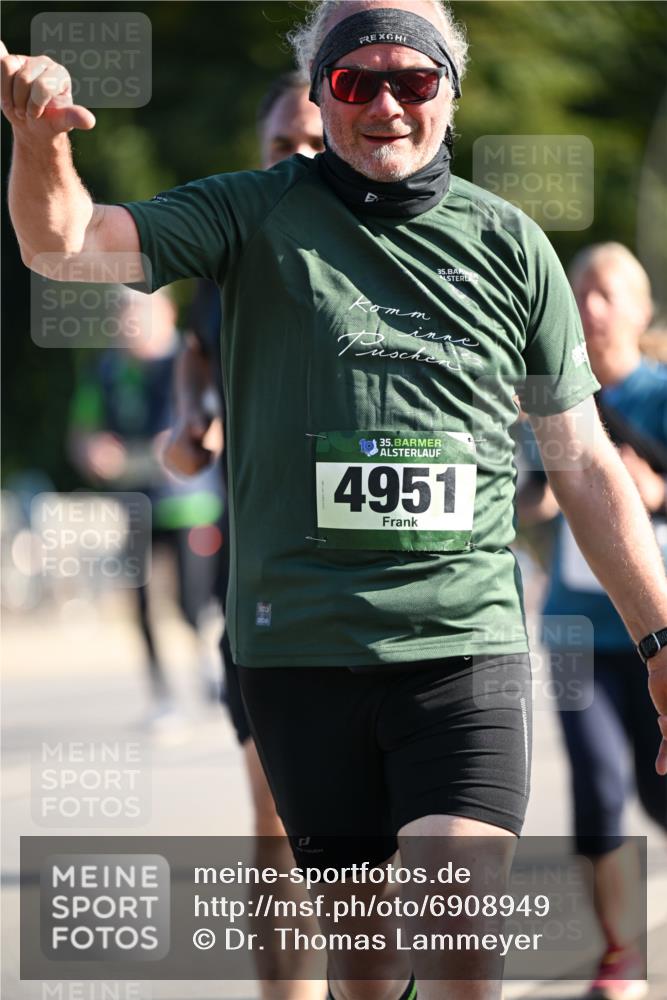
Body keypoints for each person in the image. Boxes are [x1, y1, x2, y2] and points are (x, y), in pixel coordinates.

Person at [3, 3, 667, 997]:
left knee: (454, 938)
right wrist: (37, 145)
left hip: (460, 652)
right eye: (357, 82)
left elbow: (581, 465)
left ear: (452, 90)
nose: (387, 104)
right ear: (320, 94)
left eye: (414, 80)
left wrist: (659, 640)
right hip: (300, 654)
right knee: (363, 968)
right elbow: (62, 246)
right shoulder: (253, 213)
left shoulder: (512, 248)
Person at [163, 70, 326, 1000]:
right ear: (257, 156)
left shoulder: (402, 253)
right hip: (263, 595)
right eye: (280, 147)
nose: (299, 162)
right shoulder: (229, 257)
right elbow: (194, 351)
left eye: (314, 144)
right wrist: (193, 422)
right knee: (275, 831)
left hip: (390, 599)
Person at [519, 244, 667, 1000]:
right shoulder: (550, 400)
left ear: (641, 312)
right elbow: (523, 505)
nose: (592, 306)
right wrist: (540, 497)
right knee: (598, 788)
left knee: (657, 795)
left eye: (609, 292)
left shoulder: (661, 396)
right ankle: (618, 952)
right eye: (579, 292)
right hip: (576, 633)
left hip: (661, 640)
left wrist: (650, 492)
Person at [68, 287, 224, 727]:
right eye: (123, 315)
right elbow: (81, 435)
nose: (130, 324)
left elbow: (215, 429)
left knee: (194, 601)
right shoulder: (106, 369)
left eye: (139, 313)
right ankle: (163, 696)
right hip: (132, 504)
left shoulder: (189, 360)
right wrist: (93, 451)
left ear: (165, 312)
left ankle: (209, 667)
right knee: (139, 605)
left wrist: (184, 444)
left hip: (188, 504)